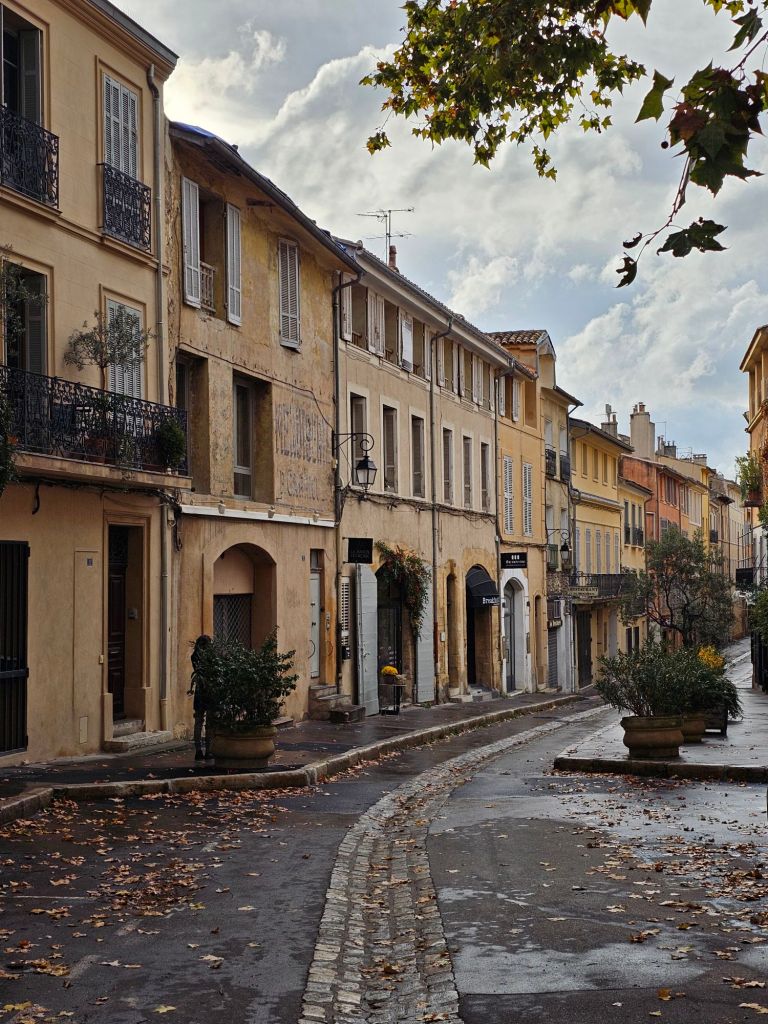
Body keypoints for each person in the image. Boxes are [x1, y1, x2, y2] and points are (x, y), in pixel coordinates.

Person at [190, 634, 214, 764]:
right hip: (210, 691)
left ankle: (198, 751)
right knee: (209, 723)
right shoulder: (212, 657)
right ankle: (209, 751)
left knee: (198, 722)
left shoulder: (194, 657)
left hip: (199, 692)